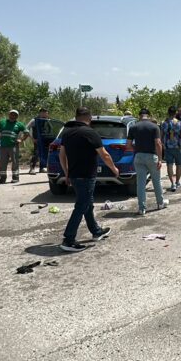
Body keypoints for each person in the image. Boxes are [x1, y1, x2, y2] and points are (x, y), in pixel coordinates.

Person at [58, 107, 119, 252]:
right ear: (89, 118)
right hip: (86, 176)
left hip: (74, 175)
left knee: (88, 204)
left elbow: (62, 155)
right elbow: (104, 155)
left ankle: (96, 231)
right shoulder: (90, 133)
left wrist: (66, 173)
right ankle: (68, 239)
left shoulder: (67, 133)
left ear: (76, 117)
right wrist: (114, 169)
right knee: (82, 205)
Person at [127, 108, 168, 215]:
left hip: (138, 156)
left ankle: (142, 208)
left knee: (140, 183)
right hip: (152, 156)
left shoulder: (133, 127)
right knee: (156, 180)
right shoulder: (154, 127)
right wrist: (160, 159)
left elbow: (128, 145)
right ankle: (160, 203)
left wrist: (136, 149)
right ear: (148, 116)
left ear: (139, 115)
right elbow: (158, 143)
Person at [0, 109, 29, 184]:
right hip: (3, 146)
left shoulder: (19, 124)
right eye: (11, 114)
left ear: (17, 116)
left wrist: (21, 139)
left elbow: (26, 133)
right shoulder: (2, 122)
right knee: (2, 163)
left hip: (13, 146)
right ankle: (2, 178)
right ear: (9, 114)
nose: (13, 116)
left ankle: (15, 178)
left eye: (15, 115)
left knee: (15, 163)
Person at [160, 106, 181, 191]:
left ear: (168, 112)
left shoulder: (164, 123)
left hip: (168, 147)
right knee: (179, 165)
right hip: (178, 147)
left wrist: (162, 145)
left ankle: (172, 183)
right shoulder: (180, 123)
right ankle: (177, 182)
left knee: (169, 165)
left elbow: (161, 136)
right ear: (176, 113)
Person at [33, 108, 54, 174]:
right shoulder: (35, 120)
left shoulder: (48, 120)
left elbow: (51, 129)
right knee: (36, 153)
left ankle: (42, 168)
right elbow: (26, 128)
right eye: (43, 113)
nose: (45, 114)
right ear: (40, 113)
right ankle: (32, 168)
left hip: (46, 139)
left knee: (45, 154)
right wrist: (33, 138)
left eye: (46, 113)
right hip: (38, 140)